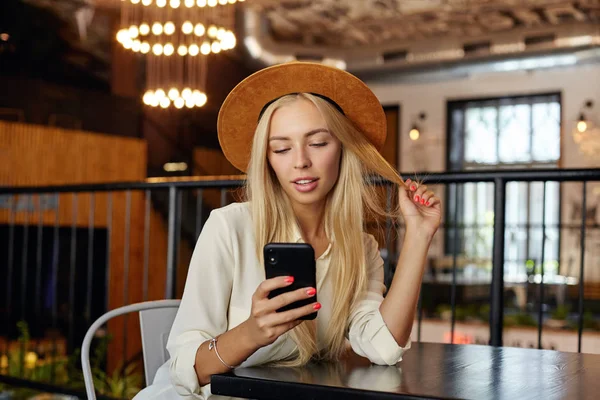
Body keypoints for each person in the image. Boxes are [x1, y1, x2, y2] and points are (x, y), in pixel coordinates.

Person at [134, 62, 441, 399]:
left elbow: (384, 349)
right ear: (267, 160)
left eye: (318, 143)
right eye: (281, 148)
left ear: (342, 148)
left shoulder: (360, 248)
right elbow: (186, 366)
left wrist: (419, 234)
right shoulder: (229, 227)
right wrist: (252, 332)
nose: (300, 162)